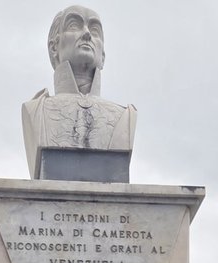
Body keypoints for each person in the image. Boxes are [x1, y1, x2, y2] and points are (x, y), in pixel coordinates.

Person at [22, 5, 137, 179]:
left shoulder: (125, 116)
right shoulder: (36, 110)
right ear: (54, 47)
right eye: (74, 25)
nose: (87, 34)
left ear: (103, 56)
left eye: (94, 30)